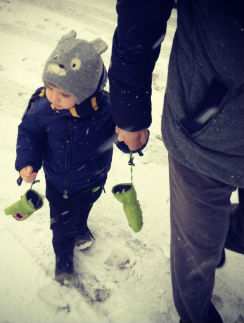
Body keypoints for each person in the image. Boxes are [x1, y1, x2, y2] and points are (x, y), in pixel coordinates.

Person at [108, 1, 244, 322]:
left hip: (206, 125)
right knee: (195, 252)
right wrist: (129, 113)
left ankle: (224, 234)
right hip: (204, 135)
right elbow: (140, 15)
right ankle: (195, 316)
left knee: (216, 236)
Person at [15, 30, 132, 282]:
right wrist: (27, 161)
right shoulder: (42, 105)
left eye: (64, 94)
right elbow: (29, 133)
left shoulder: (108, 109)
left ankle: (81, 226)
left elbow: (124, 139)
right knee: (61, 226)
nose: (54, 97)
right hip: (60, 184)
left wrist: (126, 139)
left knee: (84, 207)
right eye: (49, 87)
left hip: (94, 179)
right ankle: (64, 261)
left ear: (88, 90)